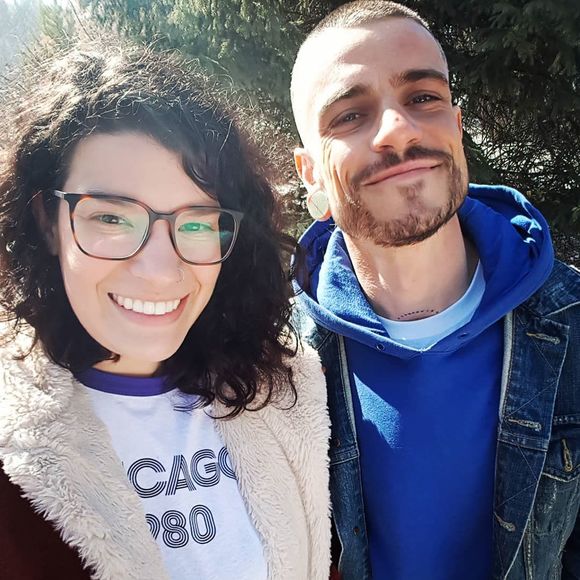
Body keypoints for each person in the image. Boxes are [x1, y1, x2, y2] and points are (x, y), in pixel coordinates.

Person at [0, 42, 331, 580]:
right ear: (47, 221)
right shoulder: (13, 457)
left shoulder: (285, 390)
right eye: (111, 218)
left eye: (196, 222)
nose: (160, 270)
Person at [290, 1, 580, 579]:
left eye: (423, 97)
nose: (398, 129)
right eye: (350, 115)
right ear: (310, 172)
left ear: (457, 126)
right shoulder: (276, 360)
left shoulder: (573, 325)